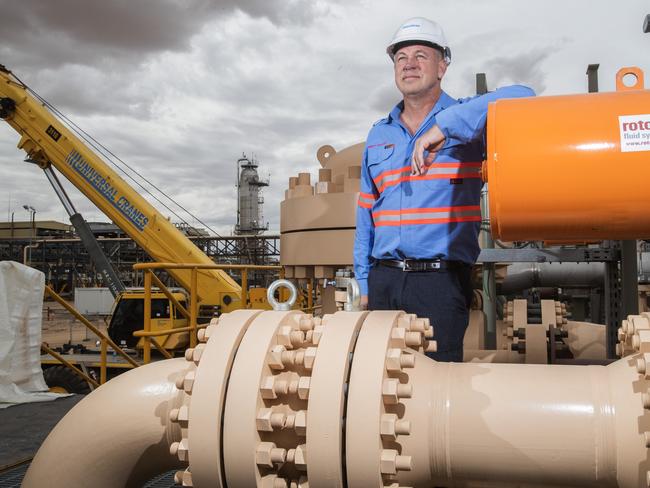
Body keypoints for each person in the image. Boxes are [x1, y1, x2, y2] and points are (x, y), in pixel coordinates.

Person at [354, 17, 534, 361]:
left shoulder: (468, 119)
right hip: (384, 280)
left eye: (421, 55)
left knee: (435, 388)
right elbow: (366, 214)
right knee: (377, 382)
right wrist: (365, 283)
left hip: (440, 282)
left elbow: (524, 96)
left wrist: (445, 127)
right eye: (401, 57)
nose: (409, 63)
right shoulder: (379, 135)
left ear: (442, 66)